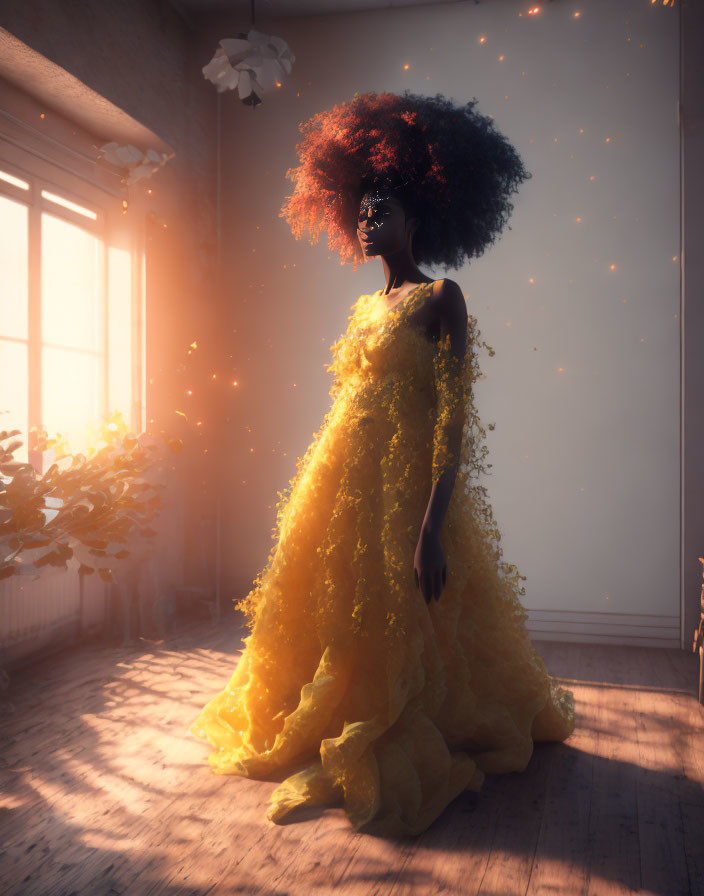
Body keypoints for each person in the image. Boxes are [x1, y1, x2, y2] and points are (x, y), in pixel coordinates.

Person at [188, 90, 575, 837]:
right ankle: (341, 705)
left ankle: (407, 714)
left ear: (418, 216)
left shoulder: (443, 298)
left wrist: (432, 524)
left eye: (383, 207)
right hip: (344, 481)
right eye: (361, 209)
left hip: (406, 492)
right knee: (340, 603)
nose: (368, 219)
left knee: (410, 615)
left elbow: (453, 418)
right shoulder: (366, 307)